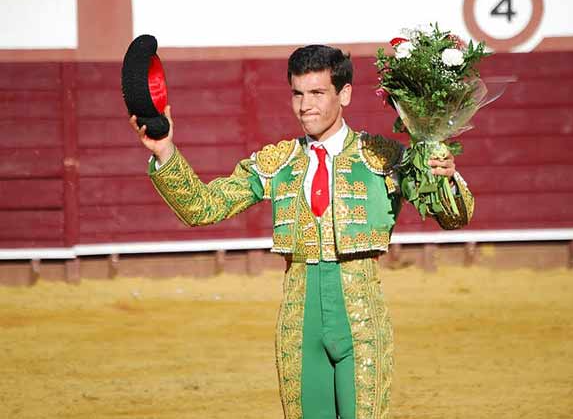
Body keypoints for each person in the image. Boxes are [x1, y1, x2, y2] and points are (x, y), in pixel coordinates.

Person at [129, 45, 473, 419]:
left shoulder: (383, 157)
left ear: (344, 94)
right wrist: (164, 152)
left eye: (317, 93)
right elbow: (203, 206)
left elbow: (453, 216)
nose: (305, 105)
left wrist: (443, 171)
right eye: (297, 93)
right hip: (299, 318)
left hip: (361, 318)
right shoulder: (277, 163)